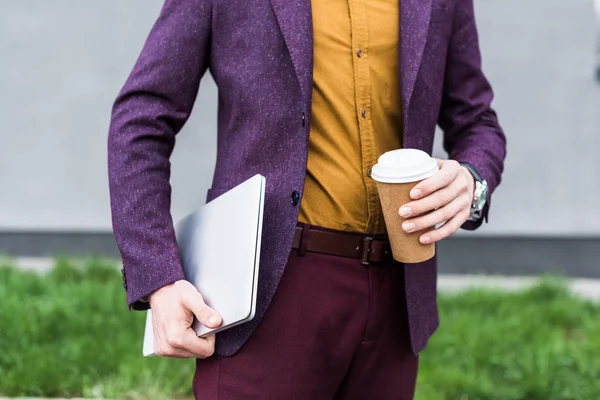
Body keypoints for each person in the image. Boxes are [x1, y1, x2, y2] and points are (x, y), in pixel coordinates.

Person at [108, 0, 506, 398]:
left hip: (397, 300)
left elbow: (476, 121)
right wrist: (158, 277)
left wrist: (472, 182)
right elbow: (142, 117)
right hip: (267, 295)